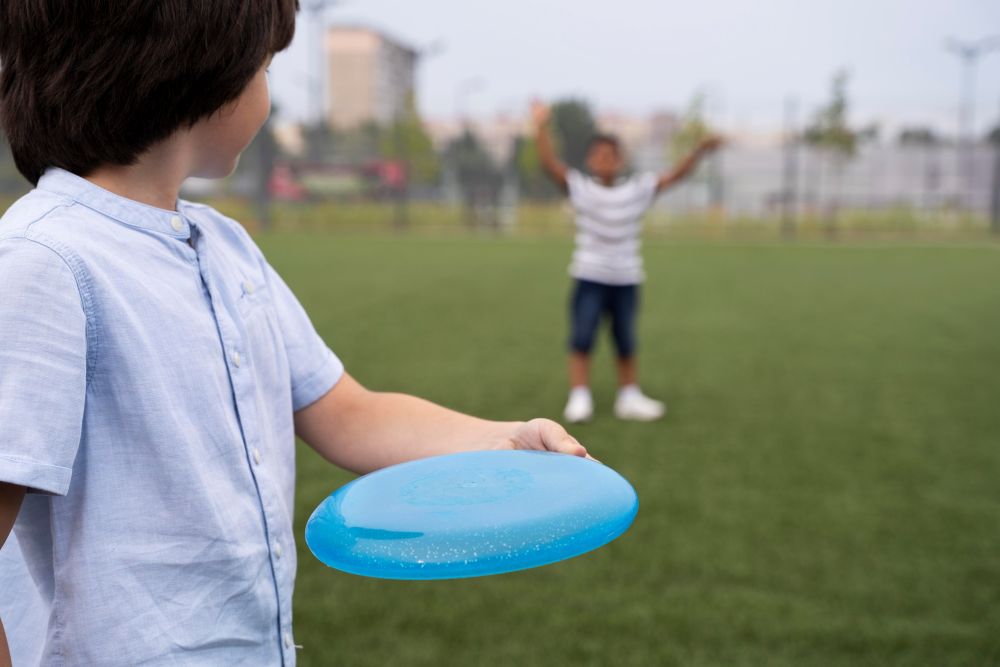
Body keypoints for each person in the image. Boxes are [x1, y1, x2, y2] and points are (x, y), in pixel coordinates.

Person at [0, 4, 588, 665]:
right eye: (265, 66)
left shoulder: (225, 246)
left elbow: (348, 413)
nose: (268, 91)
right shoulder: (45, 263)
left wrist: (501, 439)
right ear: (199, 66)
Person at [531, 101, 721, 423]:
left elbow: (675, 176)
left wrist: (699, 151)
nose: (605, 160)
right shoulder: (580, 189)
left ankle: (629, 395)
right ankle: (579, 396)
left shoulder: (637, 190)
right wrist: (540, 126)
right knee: (581, 336)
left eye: (611, 155)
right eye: (599, 155)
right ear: (591, 160)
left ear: (621, 160)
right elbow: (549, 164)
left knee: (626, 338)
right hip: (589, 275)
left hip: (625, 277)